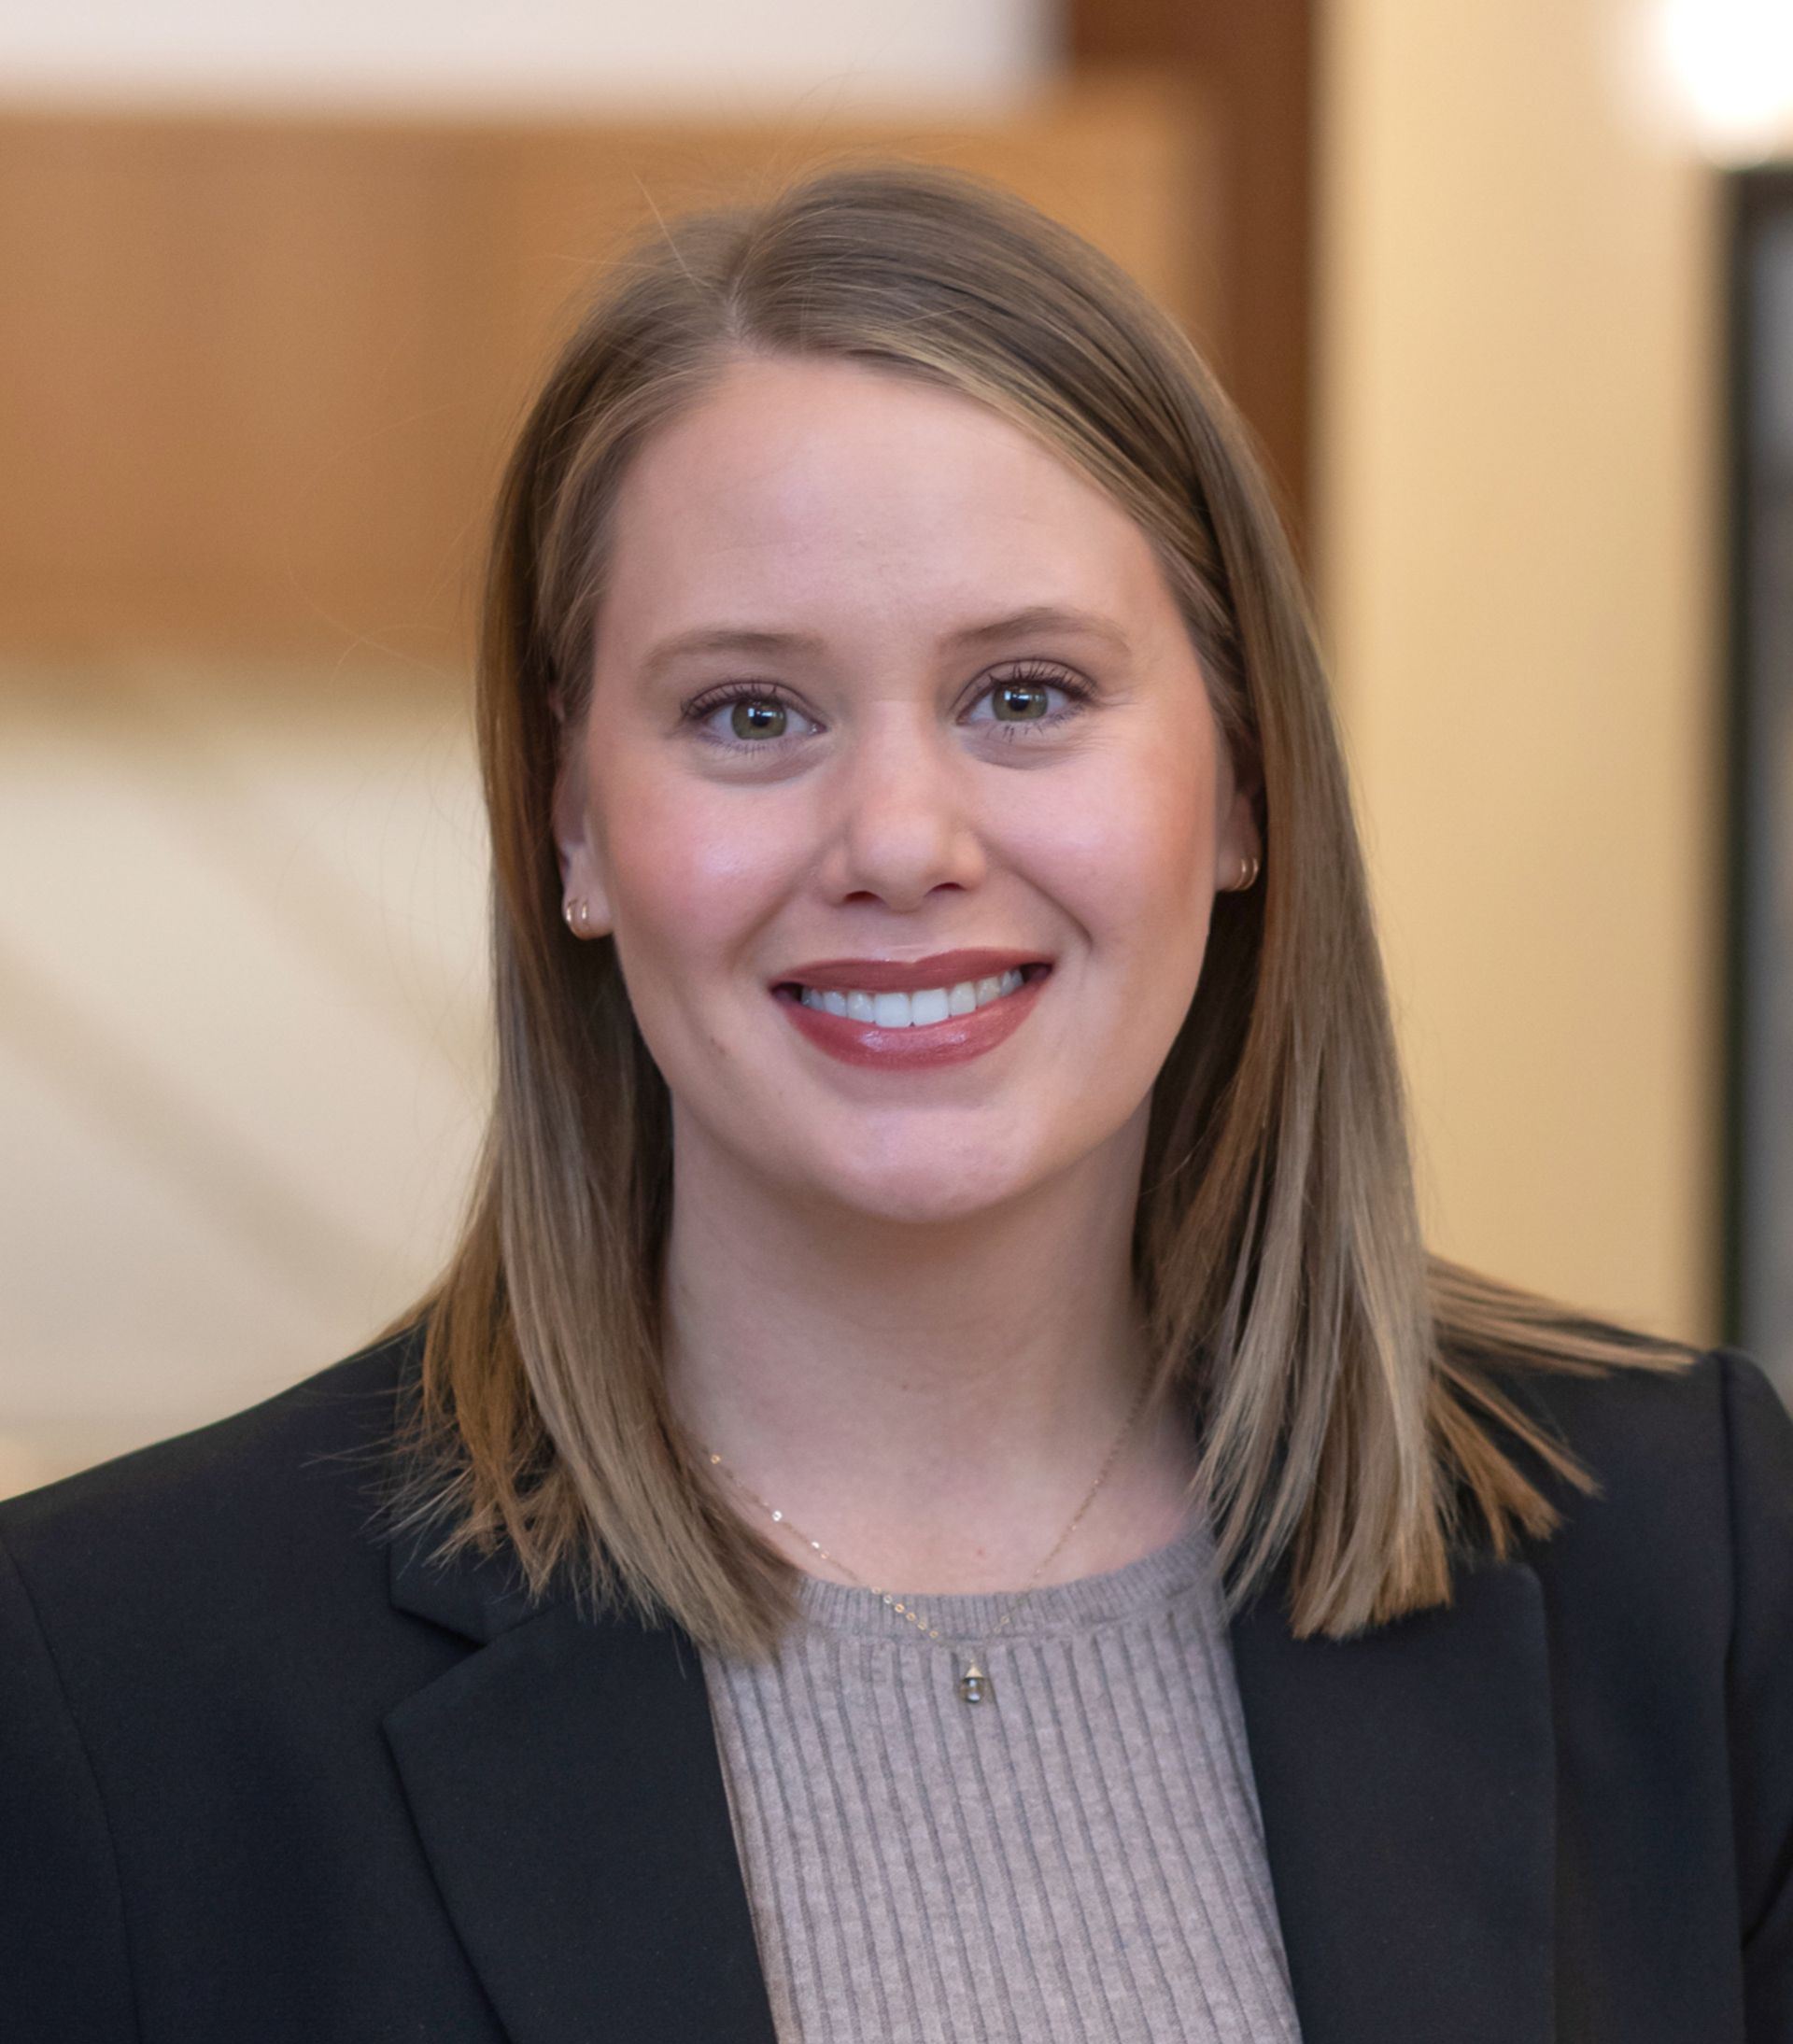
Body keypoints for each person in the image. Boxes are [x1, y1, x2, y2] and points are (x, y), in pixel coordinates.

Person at [2, 162, 1789, 2044]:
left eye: (1026, 693)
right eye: (751, 713)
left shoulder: (1689, 1558)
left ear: (1244, 779)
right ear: (573, 819)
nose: (900, 842)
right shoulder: (112, 1680)